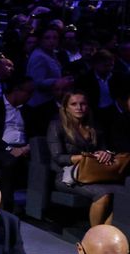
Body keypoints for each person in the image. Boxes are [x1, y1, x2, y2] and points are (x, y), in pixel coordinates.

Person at [48, 90, 123, 227]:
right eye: (74, 104)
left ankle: (104, 233)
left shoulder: (94, 125)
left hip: (94, 173)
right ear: (65, 107)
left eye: (83, 104)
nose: (79, 108)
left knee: (124, 193)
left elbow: (105, 148)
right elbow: (58, 158)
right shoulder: (56, 126)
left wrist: (105, 153)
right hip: (68, 175)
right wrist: (85, 158)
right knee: (104, 194)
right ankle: (94, 236)